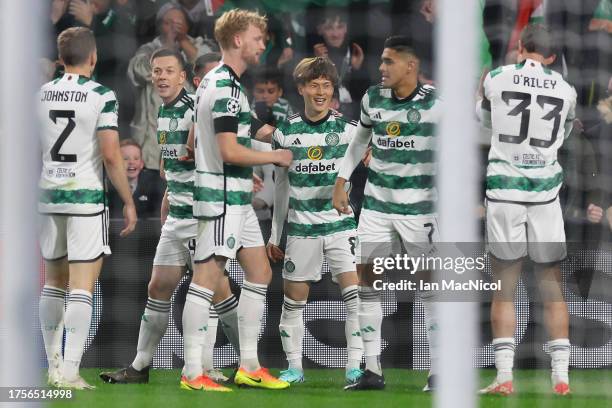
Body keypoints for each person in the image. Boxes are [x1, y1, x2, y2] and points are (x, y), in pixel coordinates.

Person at [99, 48, 238, 389]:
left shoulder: (197, 110)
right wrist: (167, 198)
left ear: (183, 77)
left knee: (218, 291)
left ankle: (248, 360)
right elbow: (171, 164)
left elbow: (220, 155)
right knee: (158, 287)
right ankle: (140, 365)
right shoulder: (163, 112)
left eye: (167, 71)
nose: (160, 76)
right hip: (177, 214)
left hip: (203, 215)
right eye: (156, 71)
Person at [186, 8, 293, 391]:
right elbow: (230, 150)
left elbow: (203, 136)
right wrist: (275, 157)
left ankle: (249, 365)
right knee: (205, 279)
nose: (262, 44)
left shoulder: (219, 82)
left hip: (237, 199)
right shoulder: (226, 87)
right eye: (257, 38)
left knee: (260, 272)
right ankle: (191, 373)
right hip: (222, 199)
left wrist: (285, 139)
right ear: (237, 40)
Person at [332, 35, 442, 391]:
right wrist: (341, 180)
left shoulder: (437, 104)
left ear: (410, 66)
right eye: (381, 61)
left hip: (419, 209)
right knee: (367, 286)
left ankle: (439, 371)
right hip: (377, 207)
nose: (381, 67)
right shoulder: (372, 99)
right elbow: (358, 142)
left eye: (389, 61)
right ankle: (373, 370)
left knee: (430, 290)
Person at [477, 24, 577, 396]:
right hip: (546, 197)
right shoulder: (567, 89)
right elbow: (564, 135)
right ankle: (561, 378)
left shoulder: (497, 76)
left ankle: (504, 377)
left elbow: (484, 120)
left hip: (504, 193)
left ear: (519, 47)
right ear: (552, 57)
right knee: (552, 288)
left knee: (504, 289)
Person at [38, 27, 137, 389]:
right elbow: (112, 155)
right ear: (93, 56)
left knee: (52, 283)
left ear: (61, 57)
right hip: (85, 199)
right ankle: (70, 372)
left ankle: (52, 367)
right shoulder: (102, 95)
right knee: (81, 287)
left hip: (48, 198)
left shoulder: (40, 94)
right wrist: (127, 200)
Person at [266, 57, 364, 386]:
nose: (320, 92)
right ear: (301, 88)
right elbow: (280, 189)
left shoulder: (350, 131)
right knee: (293, 302)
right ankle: (294, 368)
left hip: (340, 226)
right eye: (314, 85)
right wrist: (275, 235)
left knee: (355, 296)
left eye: (326, 86)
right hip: (302, 229)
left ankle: (354, 366)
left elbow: (373, 157)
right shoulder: (285, 133)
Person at [128, 4, 217, 170]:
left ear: (188, 26)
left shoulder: (200, 46)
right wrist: (168, 44)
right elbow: (138, 70)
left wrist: (183, 41)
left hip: (187, 135)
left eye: (179, 23)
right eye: (168, 23)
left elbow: (209, 71)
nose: (173, 27)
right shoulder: (148, 49)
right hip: (151, 140)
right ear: (159, 26)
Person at [107, 139, 165, 219]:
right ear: (117, 163)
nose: (131, 162)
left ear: (142, 164)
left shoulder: (154, 184)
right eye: (125, 159)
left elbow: (158, 217)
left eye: (136, 158)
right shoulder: (108, 187)